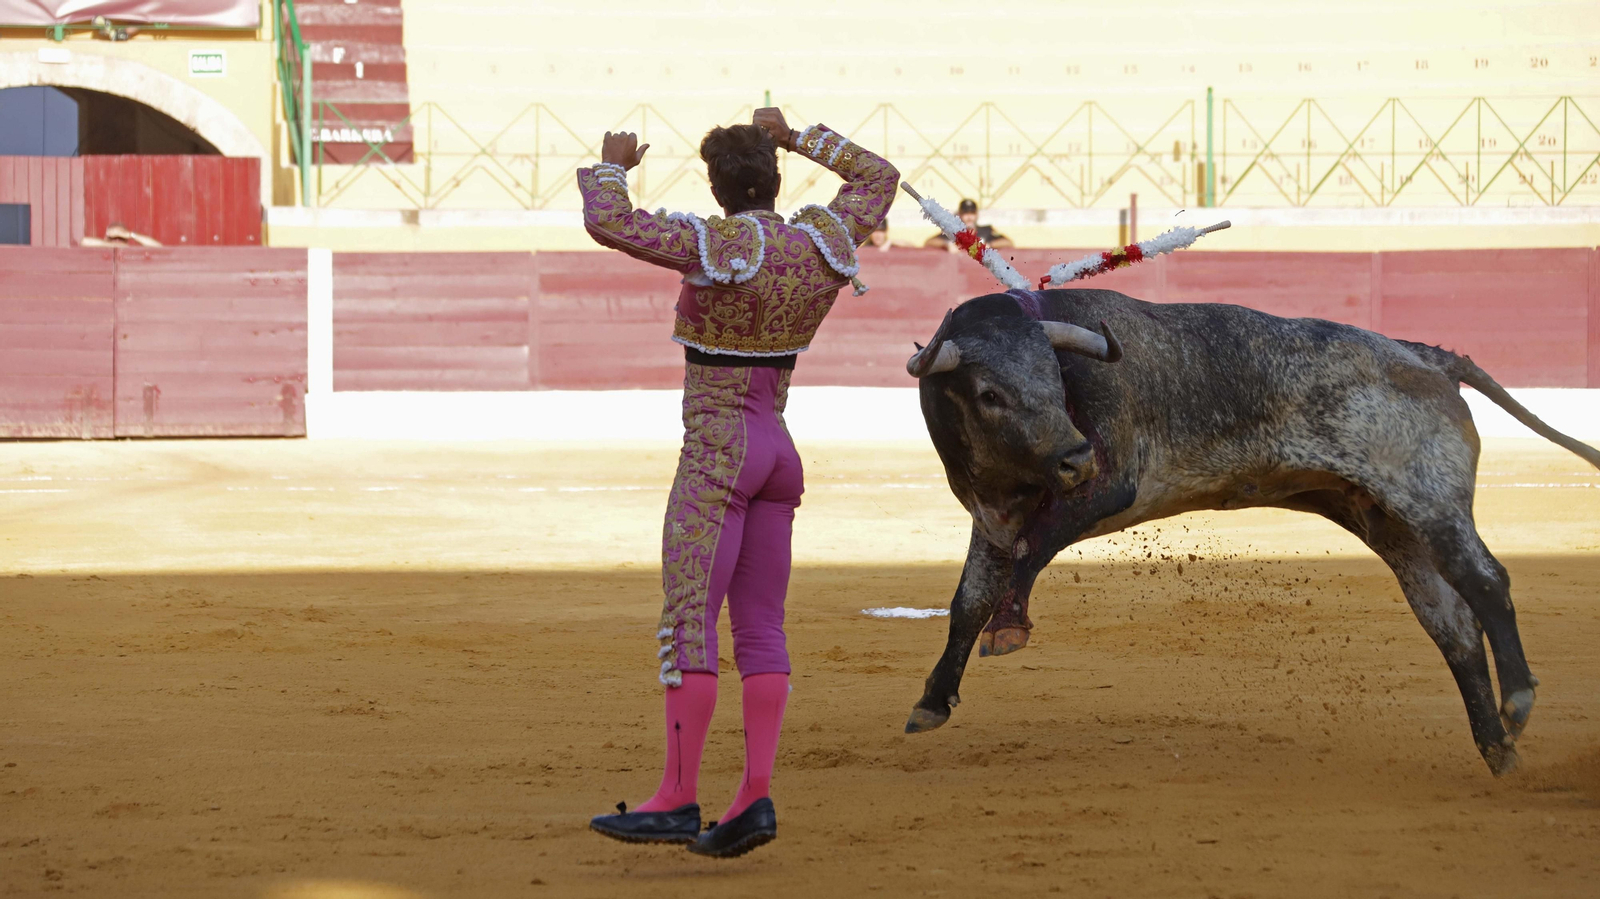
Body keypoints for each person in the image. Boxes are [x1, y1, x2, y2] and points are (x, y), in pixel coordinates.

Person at [577, 109, 897, 858]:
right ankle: (753, 796)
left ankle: (678, 797)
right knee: (760, 628)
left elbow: (610, 221)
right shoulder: (822, 241)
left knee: (689, 617)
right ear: (775, 181)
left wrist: (613, 166)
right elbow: (879, 177)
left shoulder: (714, 243)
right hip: (779, 450)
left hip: (719, 450)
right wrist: (797, 135)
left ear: (718, 189)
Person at [922, 197, 1012, 251]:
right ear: (960, 215)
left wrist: (989, 245)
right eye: (966, 214)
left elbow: (1007, 242)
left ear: (976, 215)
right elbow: (929, 242)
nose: (969, 217)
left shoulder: (986, 231)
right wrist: (946, 244)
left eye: (972, 213)